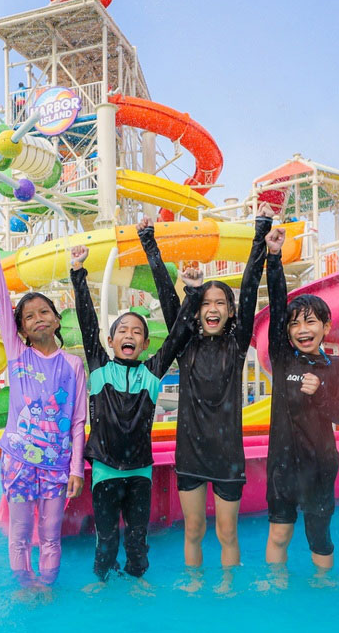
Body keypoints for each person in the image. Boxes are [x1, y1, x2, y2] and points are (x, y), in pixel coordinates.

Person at [137, 203, 274, 569]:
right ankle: (195, 590)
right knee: (194, 529)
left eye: (221, 303)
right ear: (197, 310)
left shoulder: (236, 342)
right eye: (206, 303)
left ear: (230, 311)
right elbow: (168, 297)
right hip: (191, 454)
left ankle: (229, 597)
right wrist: (150, 243)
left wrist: (260, 232)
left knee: (227, 533)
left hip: (227, 456)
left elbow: (249, 285)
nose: (213, 308)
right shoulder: (186, 345)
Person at [70, 243, 203, 581]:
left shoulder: (152, 373)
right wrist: (78, 274)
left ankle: (136, 583)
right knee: (107, 540)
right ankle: (102, 581)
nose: (129, 335)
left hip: (140, 472)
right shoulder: (99, 368)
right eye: (123, 331)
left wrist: (193, 293)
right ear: (111, 341)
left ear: (145, 344)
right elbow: (87, 322)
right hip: (105, 471)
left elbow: (178, 335)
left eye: (137, 332)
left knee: (137, 539)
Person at [0, 223, 86, 588]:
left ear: (57, 319)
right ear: (21, 329)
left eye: (45, 312)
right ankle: (25, 587)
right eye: (29, 316)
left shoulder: (73, 365)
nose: (38, 317)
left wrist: (76, 469)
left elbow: (77, 422)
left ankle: (49, 588)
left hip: (57, 466)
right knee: (20, 535)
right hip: (19, 460)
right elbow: (0, 294)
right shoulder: (17, 355)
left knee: (51, 536)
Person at [264, 226, 339, 572]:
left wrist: (318, 392)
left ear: (326, 326)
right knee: (279, 534)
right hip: (282, 466)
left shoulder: (338, 368)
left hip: (320, 466)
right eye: (295, 325)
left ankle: (323, 596)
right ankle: (277, 599)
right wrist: (274, 259)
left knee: (319, 535)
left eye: (311, 323)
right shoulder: (283, 359)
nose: (302, 330)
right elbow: (276, 310)